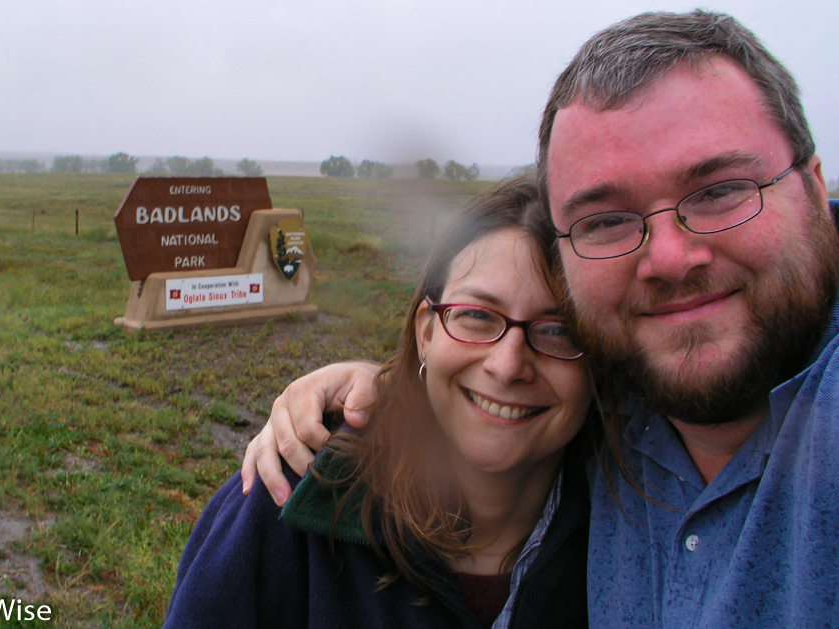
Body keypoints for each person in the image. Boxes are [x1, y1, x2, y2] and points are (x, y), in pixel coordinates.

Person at [243, 10, 839, 627]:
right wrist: (374, 384)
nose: (668, 258)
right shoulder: (622, 407)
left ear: (816, 190)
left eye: (719, 190)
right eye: (606, 219)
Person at [164, 176, 597, 628]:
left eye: (558, 330)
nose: (508, 366)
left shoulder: (636, 534)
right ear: (425, 331)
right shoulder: (290, 496)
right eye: (475, 316)